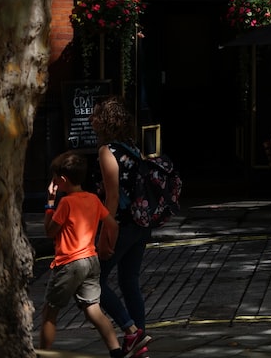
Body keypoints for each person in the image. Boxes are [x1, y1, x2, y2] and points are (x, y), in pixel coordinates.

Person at [41, 151, 129, 358]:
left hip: (69, 264)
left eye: (55, 178)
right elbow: (113, 225)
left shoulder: (66, 203)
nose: (53, 182)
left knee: (49, 313)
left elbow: (49, 231)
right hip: (90, 261)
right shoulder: (93, 199)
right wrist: (109, 246)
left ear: (63, 180)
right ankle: (116, 352)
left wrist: (50, 203)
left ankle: (42, 354)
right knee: (93, 310)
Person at [90, 96, 153, 358]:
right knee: (129, 280)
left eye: (95, 115)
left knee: (93, 280)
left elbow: (112, 197)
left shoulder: (107, 151)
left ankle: (131, 330)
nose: (91, 120)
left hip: (121, 225)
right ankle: (139, 342)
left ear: (105, 121)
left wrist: (106, 234)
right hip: (140, 224)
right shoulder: (132, 148)